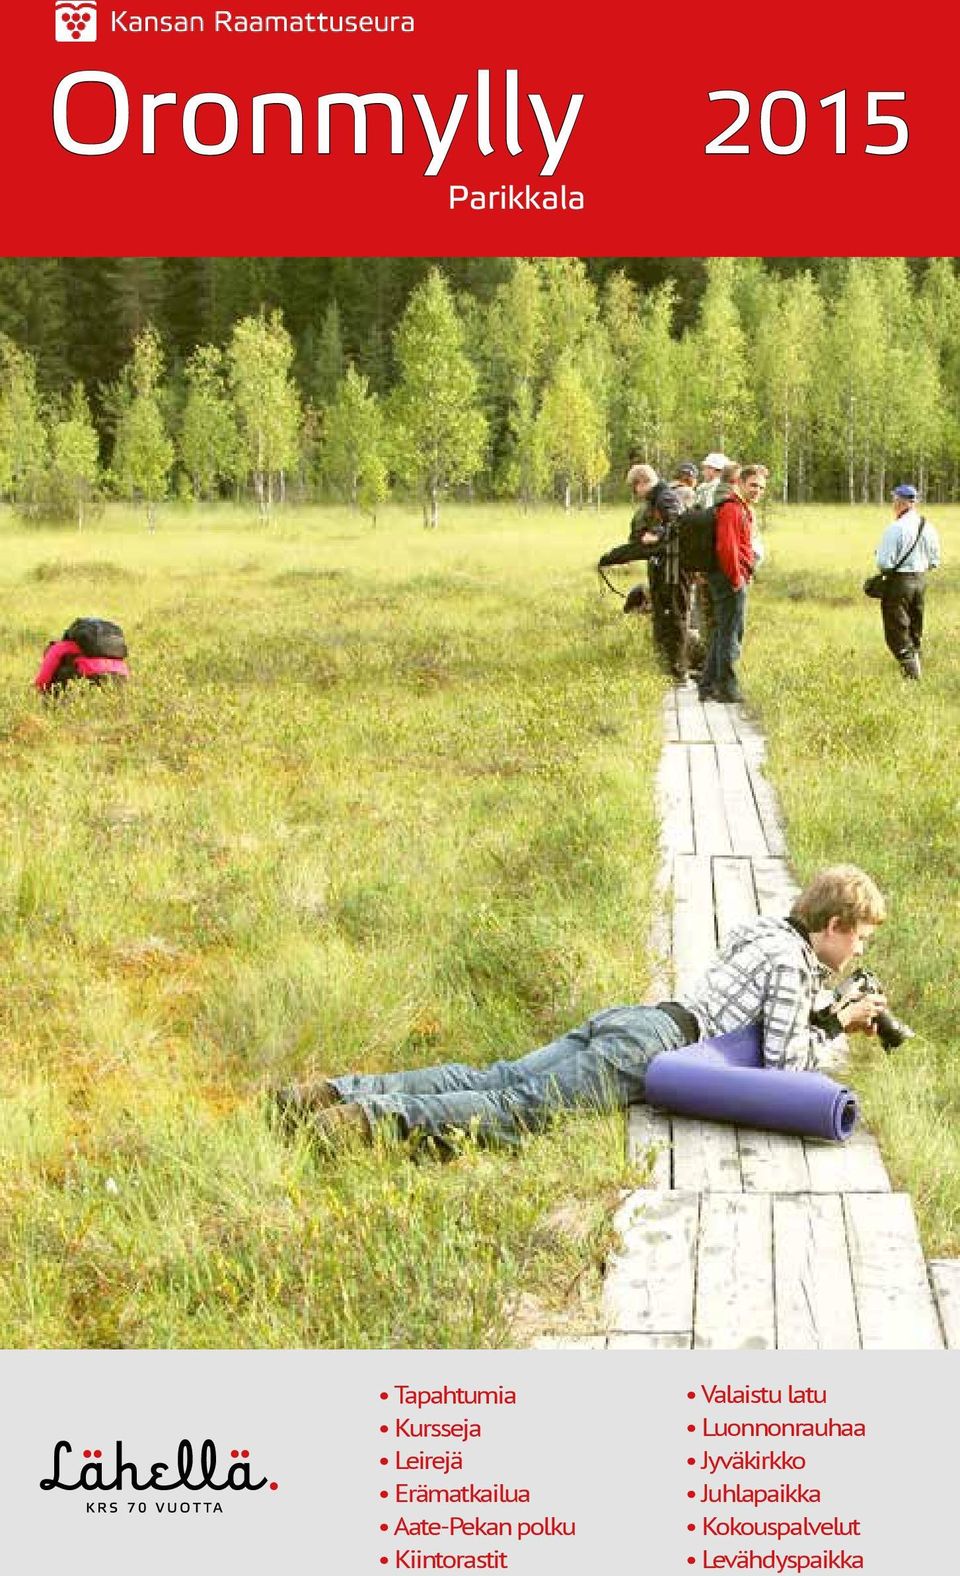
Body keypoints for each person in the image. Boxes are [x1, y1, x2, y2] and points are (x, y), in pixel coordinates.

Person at [275, 866, 888, 1151]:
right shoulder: (789, 964)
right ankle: (364, 1122)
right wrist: (841, 1026)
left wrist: (826, 1009)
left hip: (635, 1018)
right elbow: (782, 1064)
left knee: (497, 1078)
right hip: (657, 1049)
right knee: (519, 1109)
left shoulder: (765, 931)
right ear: (832, 926)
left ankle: (329, 1092)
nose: (860, 948)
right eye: (859, 936)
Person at [598, 463, 689, 680]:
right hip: (662, 566)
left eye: (634, 487)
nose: (634, 493)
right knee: (661, 615)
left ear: (642, 483)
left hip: (675, 567)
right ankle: (665, 665)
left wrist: (657, 534)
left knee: (675, 616)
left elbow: (678, 523)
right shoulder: (655, 500)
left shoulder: (665, 497)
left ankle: (678, 670)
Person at [698, 463, 767, 704]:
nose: (757, 490)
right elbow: (726, 547)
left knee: (722, 631)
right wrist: (737, 578)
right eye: (753, 485)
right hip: (729, 578)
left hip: (731, 576)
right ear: (740, 483)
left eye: (760, 487)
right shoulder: (731, 509)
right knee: (731, 633)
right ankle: (726, 688)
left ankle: (707, 685)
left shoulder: (741, 508)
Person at [874, 484, 941, 680]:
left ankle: (913, 678)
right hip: (920, 581)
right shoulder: (928, 526)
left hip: (899, 583)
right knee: (914, 628)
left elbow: (884, 563)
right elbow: (935, 561)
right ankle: (916, 667)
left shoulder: (895, 528)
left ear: (901, 502)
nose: (892, 503)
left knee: (897, 630)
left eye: (894, 500)